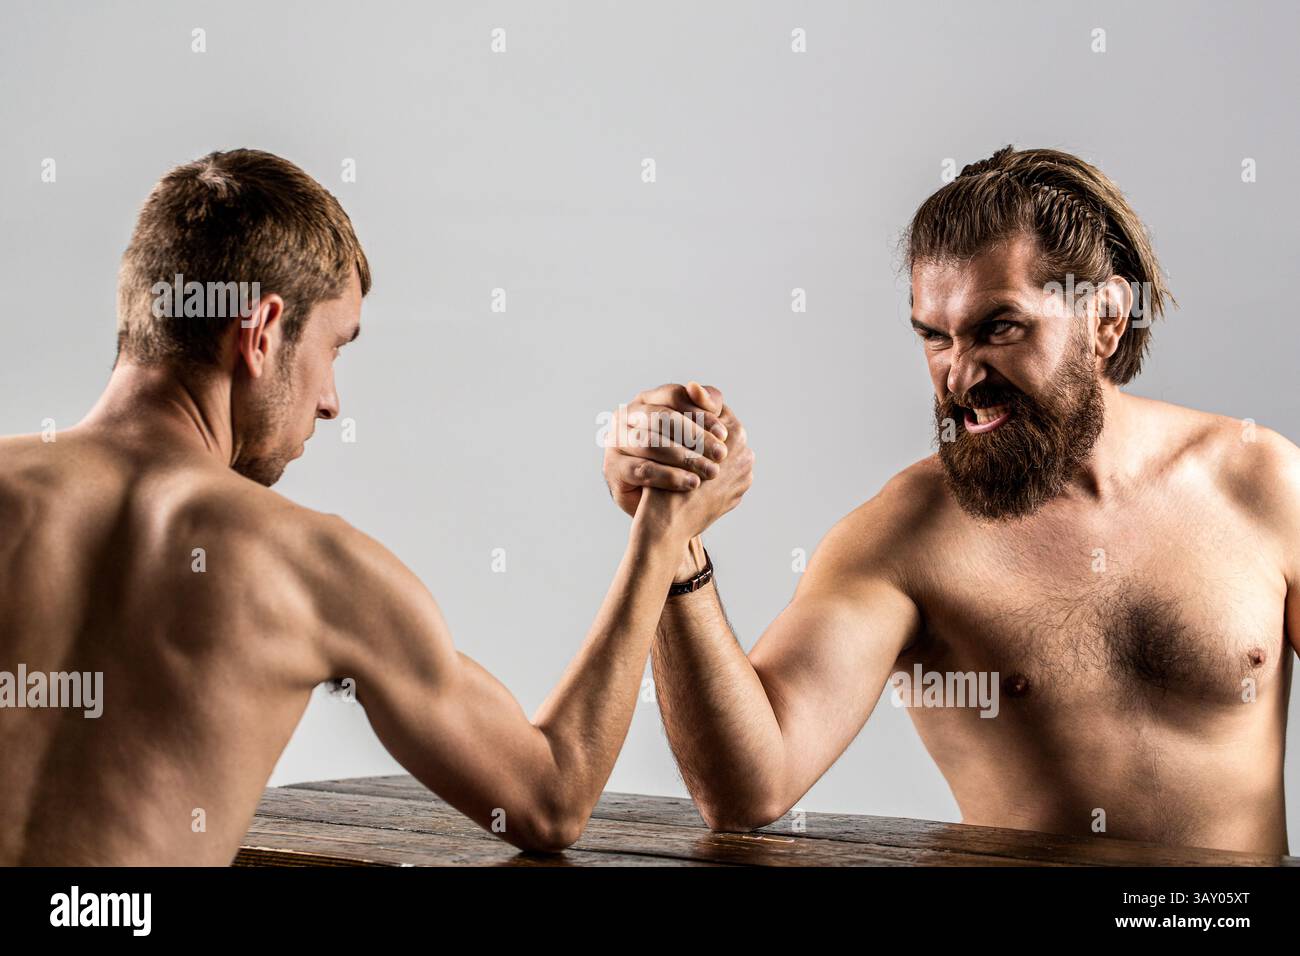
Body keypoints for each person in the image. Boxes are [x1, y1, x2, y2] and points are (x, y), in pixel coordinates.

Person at [0, 148, 754, 864]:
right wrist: (663, 534)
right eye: (335, 347)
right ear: (261, 334)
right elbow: (547, 797)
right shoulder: (311, 568)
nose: (330, 402)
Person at [603, 146, 1300, 855]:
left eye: (1000, 328)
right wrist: (672, 535)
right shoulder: (905, 539)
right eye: (935, 337)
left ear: (1106, 320)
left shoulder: (1262, 483)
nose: (961, 376)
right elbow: (746, 789)